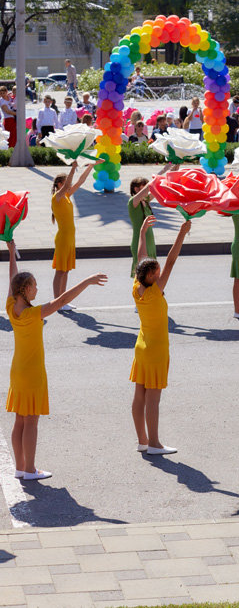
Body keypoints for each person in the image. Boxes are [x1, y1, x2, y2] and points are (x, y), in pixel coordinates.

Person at [5, 240, 107, 481]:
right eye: (34, 287)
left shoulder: (11, 307)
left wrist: (11, 253)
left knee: (20, 419)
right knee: (31, 422)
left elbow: (12, 277)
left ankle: (20, 467)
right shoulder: (32, 313)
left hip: (18, 371)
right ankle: (30, 470)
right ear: (25, 290)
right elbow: (61, 301)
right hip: (32, 373)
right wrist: (87, 281)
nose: (37, 290)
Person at [130, 216, 191, 455]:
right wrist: (182, 233)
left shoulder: (137, 287)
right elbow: (173, 259)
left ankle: (142, 440)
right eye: (157, 269)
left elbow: (139, 259)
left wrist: (143, 233)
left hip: (141, 346)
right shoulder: (156, 291)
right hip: (156, 349)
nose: (159, 270)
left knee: (139, 395)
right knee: (153, 400)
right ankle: (154, 444)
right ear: (154, 276)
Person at [51, 162, 95, 304]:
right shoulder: (57, 198)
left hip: (70, 238)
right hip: (63, 238)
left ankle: (63, 300)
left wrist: (91, 165)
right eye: (64, 184)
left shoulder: (67, 196)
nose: (68, 186)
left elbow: (80, 181)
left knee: (66, 270)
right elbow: (70, 182)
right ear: (59, 184)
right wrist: (73, 168)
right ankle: (57, 301)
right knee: (60, 271)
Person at [128, 164, 175, 277]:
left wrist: (174, 167)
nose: (142, 187)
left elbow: (160, 185)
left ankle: (148, 292)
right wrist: (162, 171)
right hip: (139, 239)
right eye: (138, 186)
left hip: (150, 239)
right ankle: (139, 293)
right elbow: (151, 186)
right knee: (141, 271)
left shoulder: (146, 200)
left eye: (143, 185)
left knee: (150, 271)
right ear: (133, 188)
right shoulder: (133, 202)